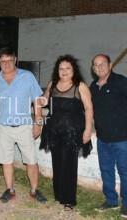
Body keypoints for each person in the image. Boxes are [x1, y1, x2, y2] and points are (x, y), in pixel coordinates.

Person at [0, 47, 47, 204]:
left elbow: (37, 100)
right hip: (3, 128)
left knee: (31, 160)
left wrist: (38, 123)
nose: (7, 64)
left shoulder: (27, 76)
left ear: (15, 60)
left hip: (24, 126)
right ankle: (10, 190)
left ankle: (34, 191)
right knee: (6, 160)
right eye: (3, 61)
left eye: (10, 60)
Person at [39, 55, 93, 211]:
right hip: (54, 130)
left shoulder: (80, 86)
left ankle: (69, 200)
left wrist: (88, 129)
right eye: (61, 68)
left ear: (73, 69)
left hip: (73, 131)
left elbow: (89, 108)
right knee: (57, 163)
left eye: (67, 68)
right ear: (57, 70)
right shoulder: (53, 84)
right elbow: (44, 100)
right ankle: (59, 195)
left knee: (69, 164)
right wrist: (39, 99)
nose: (64, 71)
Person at [90, 54, 127, 218]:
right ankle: (111, 200)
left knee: (125, 171)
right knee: (106, 170)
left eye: (103, 63)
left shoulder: (120, 81)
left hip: (122, 138)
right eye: (96, 65)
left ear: (110, 65)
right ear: (93, 69)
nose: (100, 67)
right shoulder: (93, 85)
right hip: (103, 138)